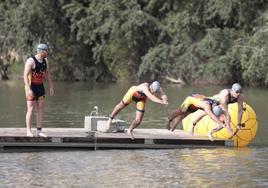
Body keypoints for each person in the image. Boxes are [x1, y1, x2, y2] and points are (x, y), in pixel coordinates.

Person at [165, 94, 233, 139]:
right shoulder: (207, 107)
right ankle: (169, 120)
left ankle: (173, 127)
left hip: (196, 105)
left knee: (184, 116)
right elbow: (210, 116)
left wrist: (228, 126)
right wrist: (221, 124)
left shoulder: (218, 105)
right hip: (191, 100)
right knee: (181, 111)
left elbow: (226, 114)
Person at [23, 43, 54, 137]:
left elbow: (47, 74)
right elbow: (24, 75)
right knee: (30, 109)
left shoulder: (45, 61)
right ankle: (28, 131)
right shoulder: (30, 61)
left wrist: (51, 86)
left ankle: (39, 131)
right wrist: (28, 88)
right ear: (40, 51)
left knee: (40, 109)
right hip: (31, 87)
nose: (47, 52)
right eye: (46, 51)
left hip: (40, 87)